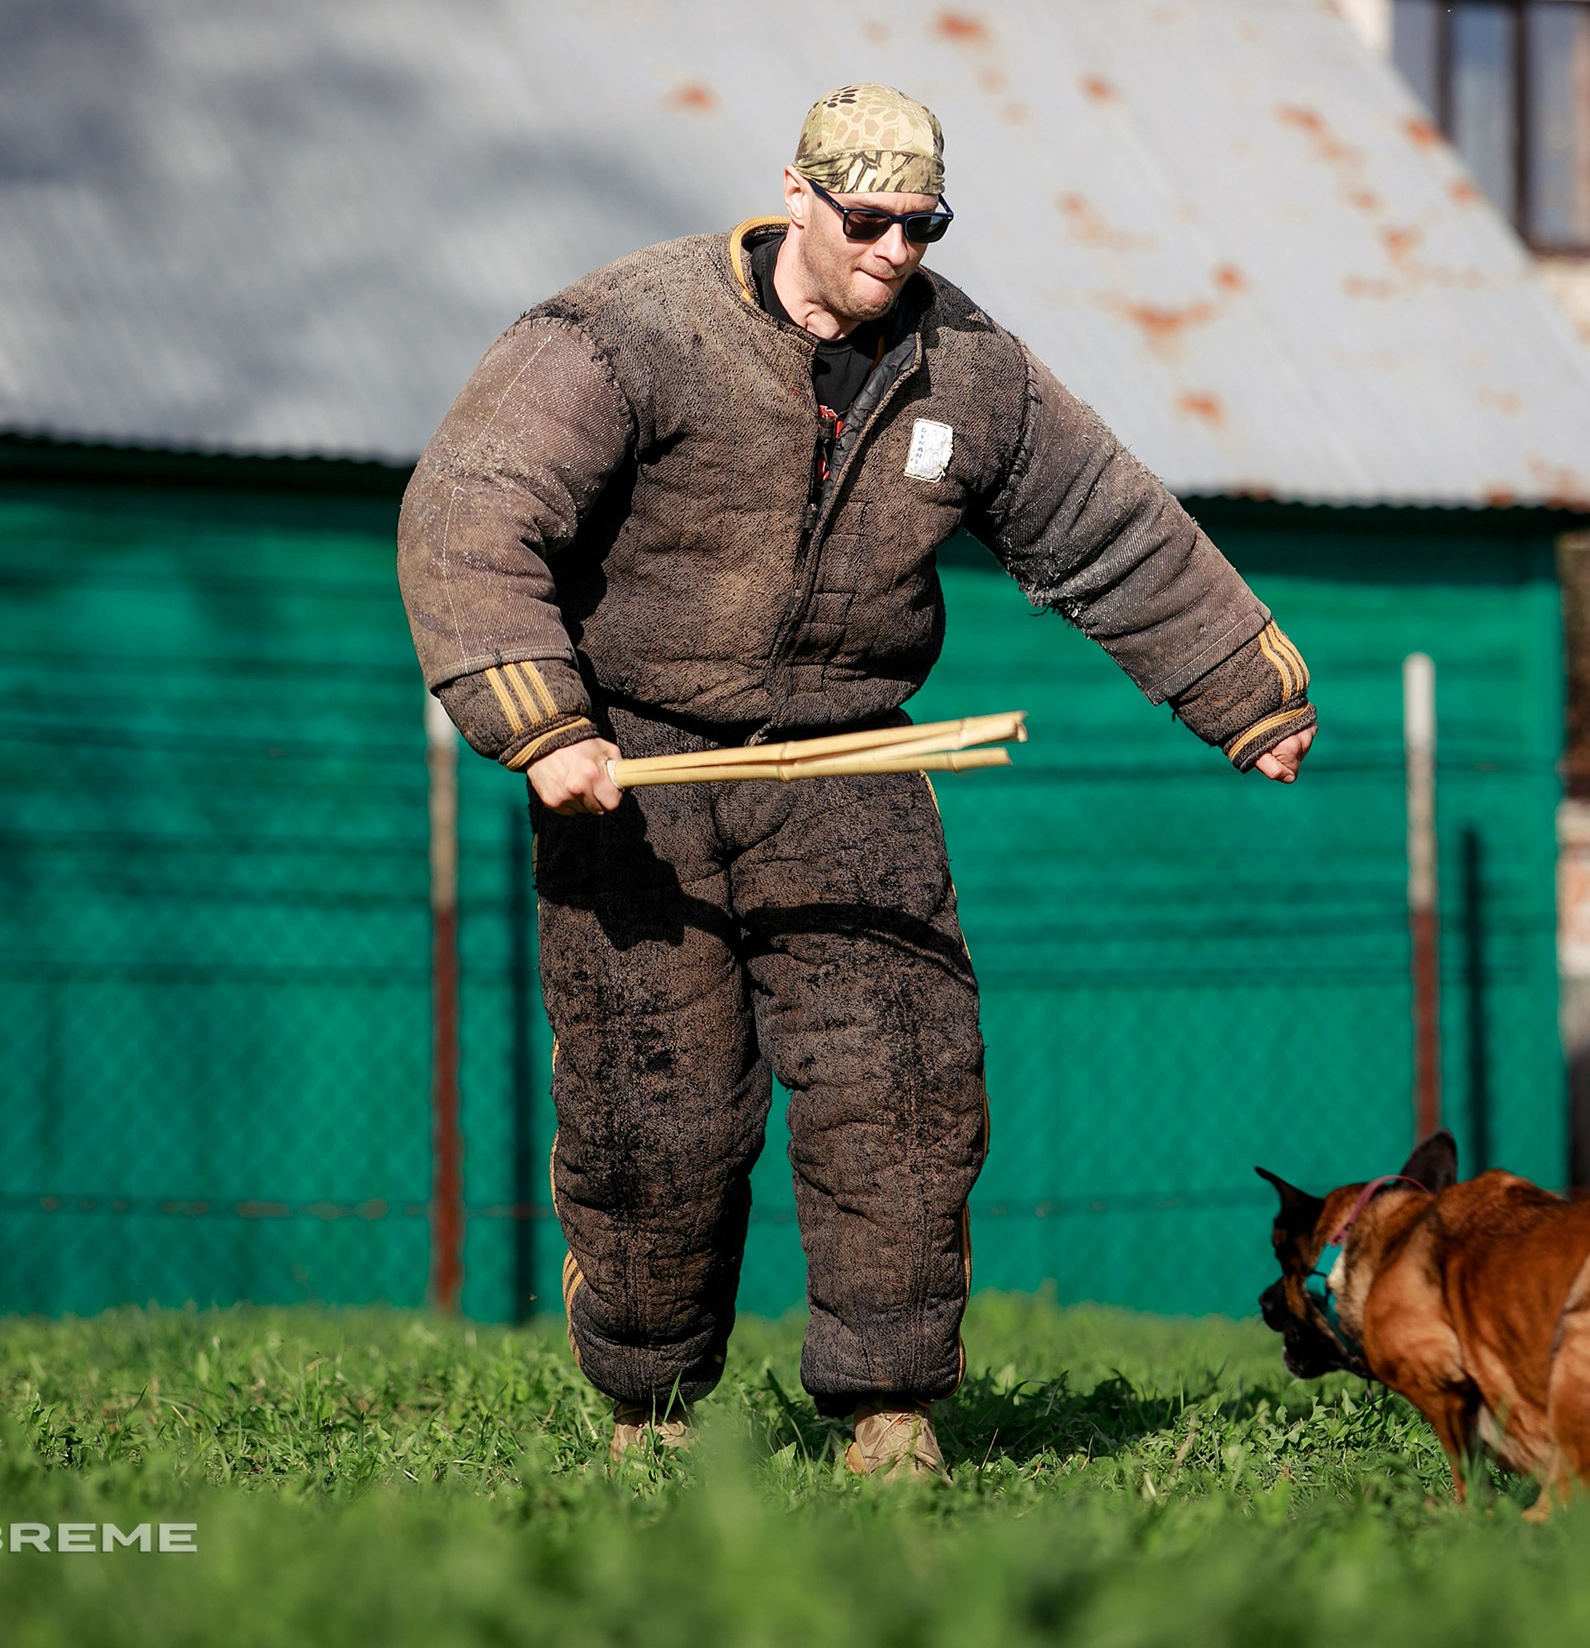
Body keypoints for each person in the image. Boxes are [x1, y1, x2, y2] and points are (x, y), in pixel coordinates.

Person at [398, 83, 1316, 1480]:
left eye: (924, 223)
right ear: (798, 193)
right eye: (871, 218)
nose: (898, 249)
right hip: (634, 768)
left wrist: (1246, 697)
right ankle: (645, 1409)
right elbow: (473, 511)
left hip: (854, 768)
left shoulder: (970, 370)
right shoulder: (625, 332)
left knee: (901, 1090)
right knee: (661, 1120)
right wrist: (541, 723)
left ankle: (892, 1417)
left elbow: (1105, 529)